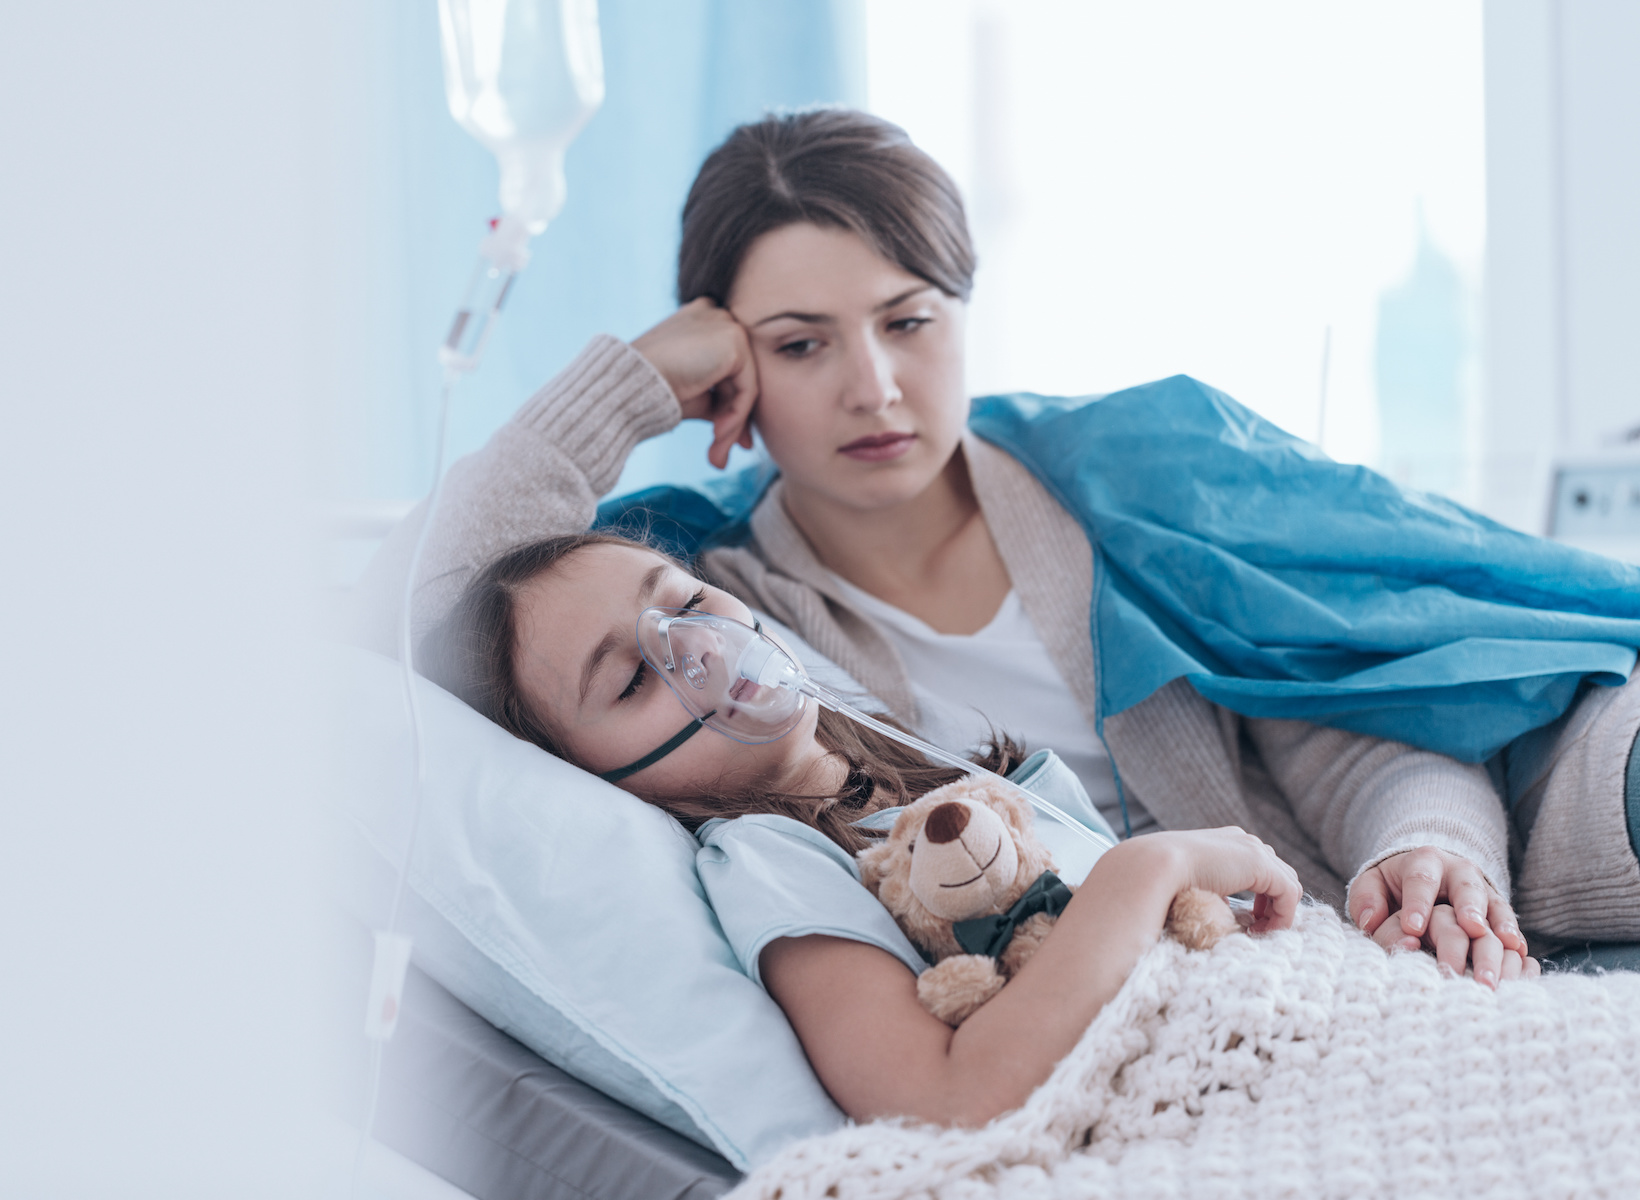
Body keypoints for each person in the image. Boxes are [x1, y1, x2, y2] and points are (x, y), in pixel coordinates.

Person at [355, 108, 1640, 991]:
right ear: (729, 371)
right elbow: (426, 611)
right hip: (1196, 976)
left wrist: (1430, 855)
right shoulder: (720, 613)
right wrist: (631, 378)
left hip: (1470, 811)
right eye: (800, 344)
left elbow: (1365, 711)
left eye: (909, 323)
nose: (875, 387)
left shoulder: (1122, 474)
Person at [428, 526, 1314, 1126]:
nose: (695, 650)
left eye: (689, 605)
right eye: (629, 681)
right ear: (588, 779)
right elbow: (944, 1099)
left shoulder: (921, 773)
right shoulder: (772, 859)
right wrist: (1148, 868)